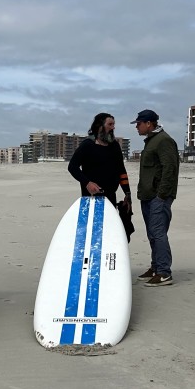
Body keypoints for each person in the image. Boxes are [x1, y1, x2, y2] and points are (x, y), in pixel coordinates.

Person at [131, 109, 179, 287]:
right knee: (153, 234)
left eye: (138, 123)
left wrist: (162, 195)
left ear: (148, 123)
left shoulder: (164, 140)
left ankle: (164, 272)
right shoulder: (152, 141)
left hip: (158, 197)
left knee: (158, 234)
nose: (136, 126)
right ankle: (156, 267)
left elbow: (170, 169)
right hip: (148, 195)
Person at [67, 112, 134, 240]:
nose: (113, 127)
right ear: (99, 126)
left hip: (110, 198)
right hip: (91, 198)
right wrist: (87, 183)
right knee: (93, 233)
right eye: (110, 124)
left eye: (114, 124)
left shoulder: (114, 146)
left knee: (108, 232)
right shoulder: (87, 145)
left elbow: (121, 171)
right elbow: (72, 167)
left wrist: (128, 194)